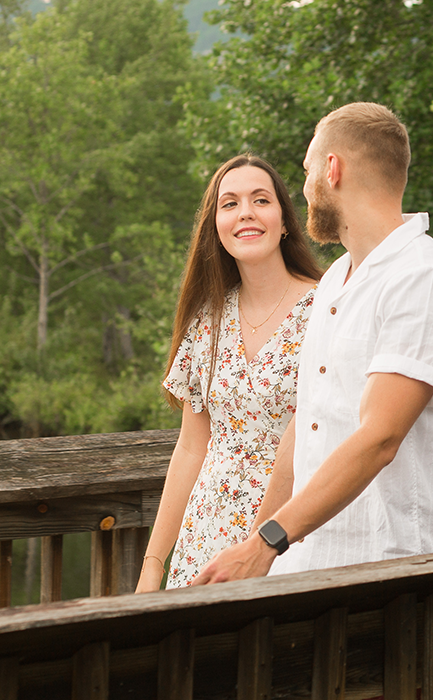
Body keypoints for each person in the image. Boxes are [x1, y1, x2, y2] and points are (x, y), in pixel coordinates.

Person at [193, 102, 433, 584]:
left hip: (402, 570)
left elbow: (379, 438)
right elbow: (306, 425)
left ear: (332, 169)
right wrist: (257, 545)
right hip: (313, 568)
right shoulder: (334, 283)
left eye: (307, 171)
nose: (304, 189)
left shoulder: (424, 278)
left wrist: (267, 542)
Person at [136, 154, 324, 591]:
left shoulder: (328, 307)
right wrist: (152, 565)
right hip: (204, 542)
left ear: (284, 222)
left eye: (261, 200)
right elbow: (189, 449)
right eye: (229, 203)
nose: (246, 213)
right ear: (216, 228)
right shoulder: (208, 320)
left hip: (289, 538)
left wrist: (263, 544)